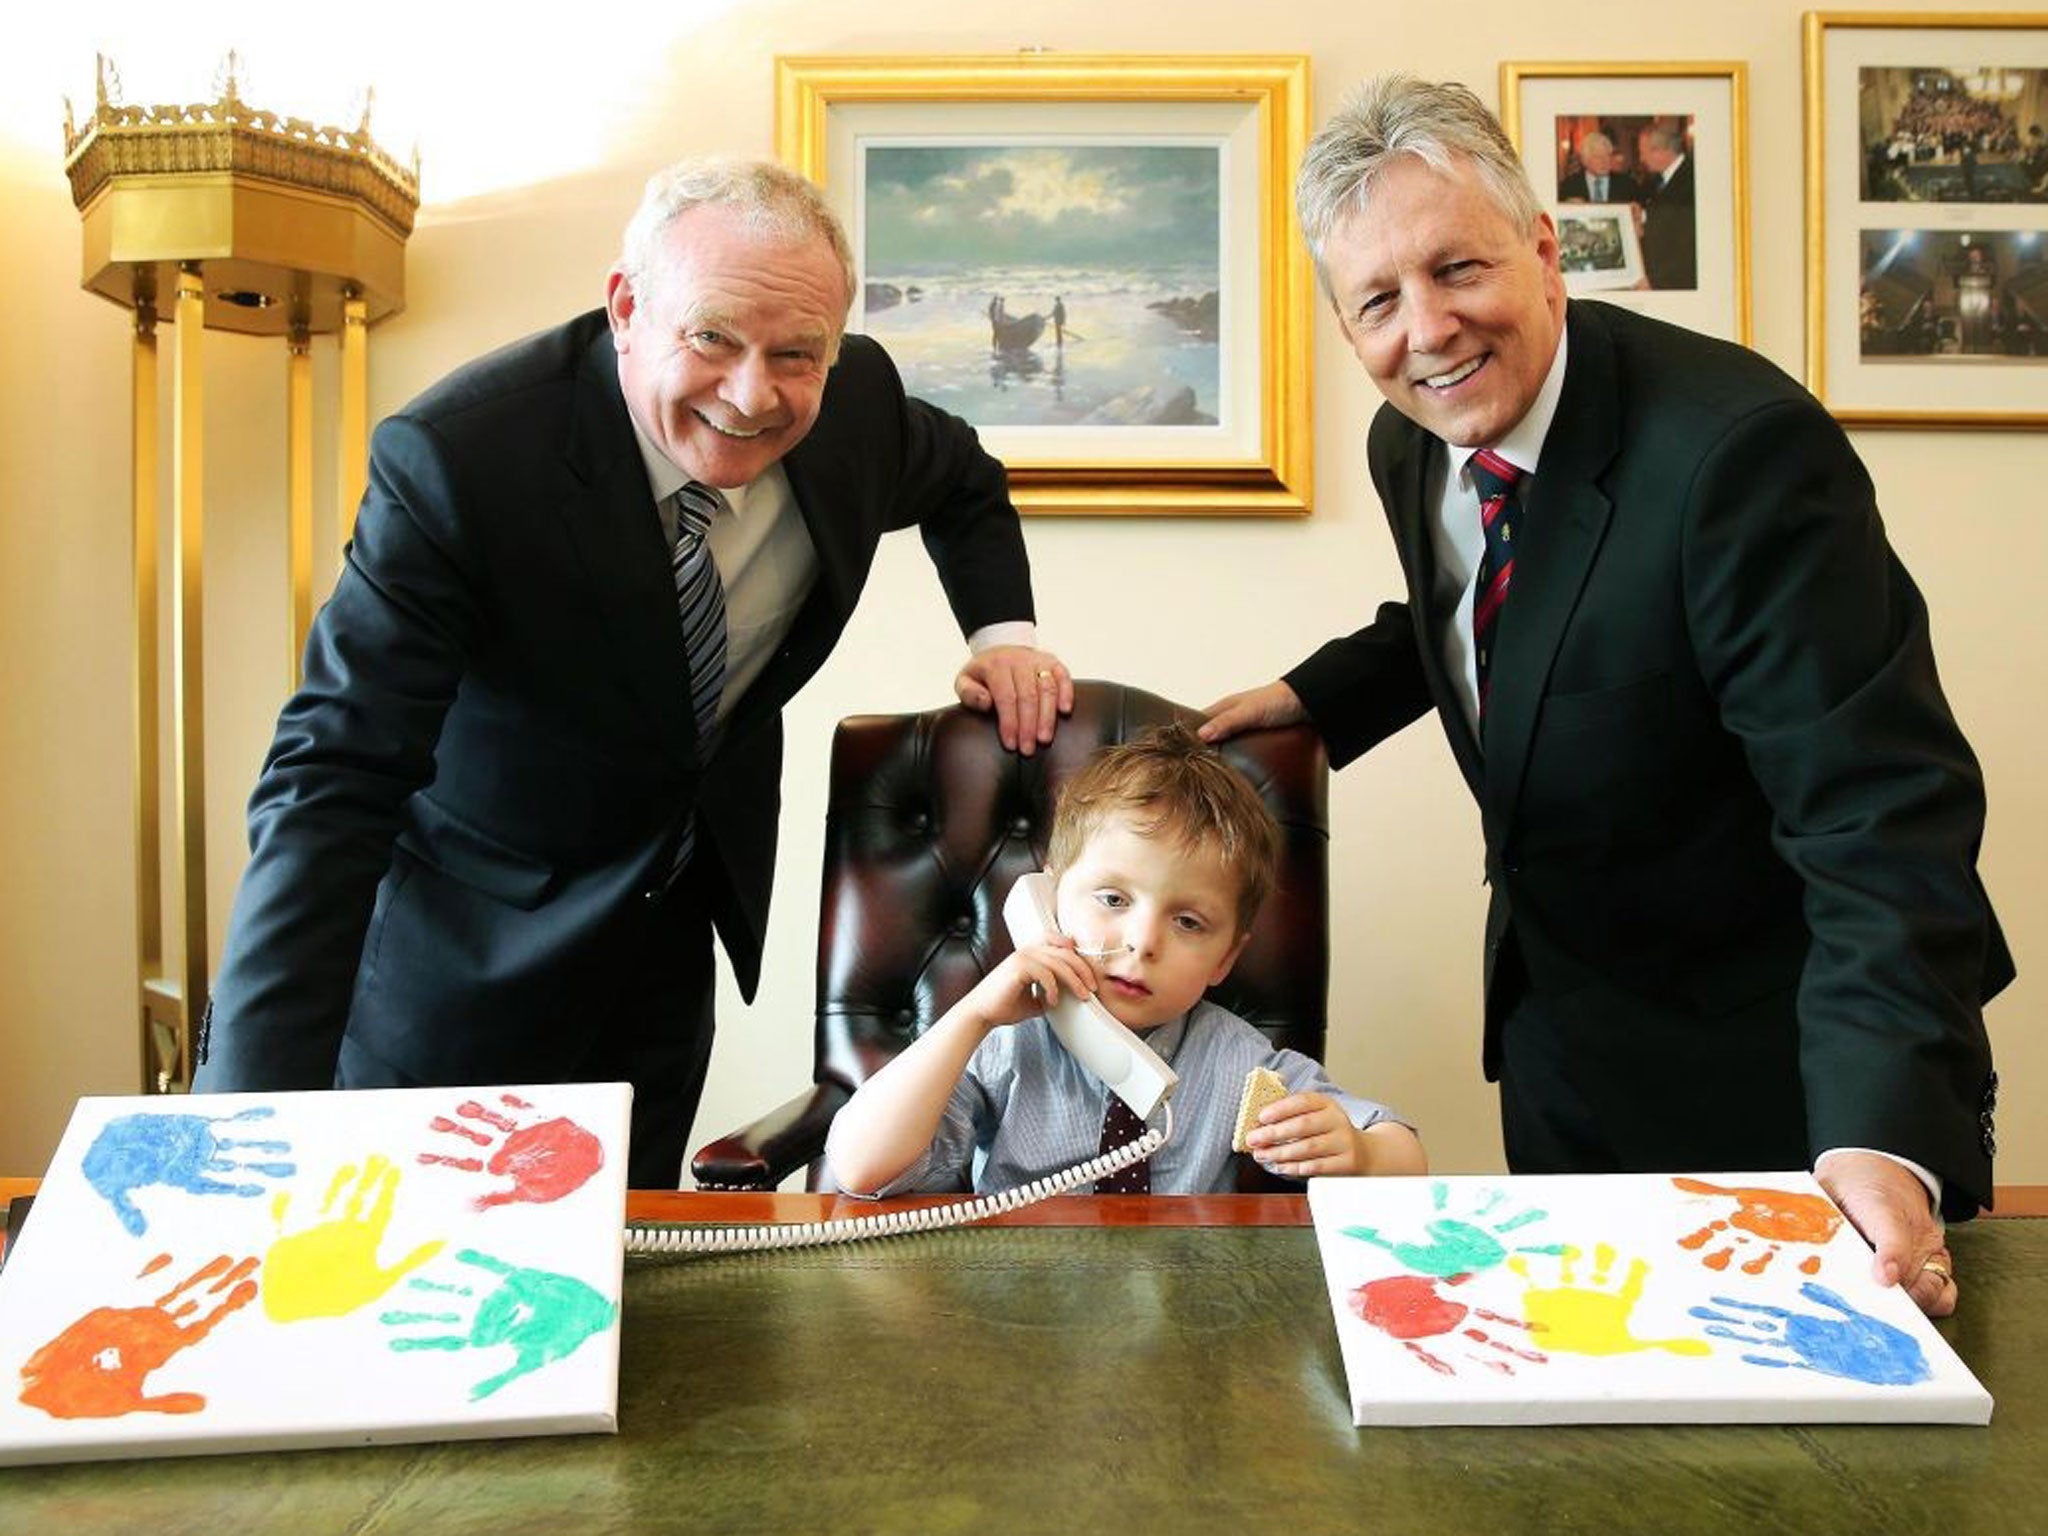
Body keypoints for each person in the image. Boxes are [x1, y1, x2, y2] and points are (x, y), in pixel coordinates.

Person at [1201, 75, 2006, 1317]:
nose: (1424, 330)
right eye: (1375, 301)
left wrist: (1880, 1132)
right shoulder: (1410, 435)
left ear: (1539, 250)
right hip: (1565, 1058)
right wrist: (1318, 697)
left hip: (1785, 1083)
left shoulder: (1737, 457)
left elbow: (1879, 818)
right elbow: (1512, 605)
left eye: (1456, 269)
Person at [193, 157, 1076, 1189]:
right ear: (626, 307)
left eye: (797, 353)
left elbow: (965, 479)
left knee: (616, 1295)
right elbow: (331, 779)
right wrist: (243, 1117)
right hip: (462, 957)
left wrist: (1000, 635)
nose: (752, 395)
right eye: (712, 338)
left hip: (666, 944)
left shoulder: (853, 408)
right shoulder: (464, 462)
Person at [825, 723, 1426, 1195]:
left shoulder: (1241, 1063)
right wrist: (970, 1018)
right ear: (1050, 901)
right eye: (1113, 899)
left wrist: (1365, 1151)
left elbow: (1407, 1158)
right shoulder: (1005, 1044)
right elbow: (860, 1167)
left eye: (1188, 922)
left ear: (1224, 959)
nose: (1143, 943)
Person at [1633, 123, 1696, 289]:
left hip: (1675, 284)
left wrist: (1656, 281)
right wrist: (1642, 217)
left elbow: (1688, 248)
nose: (1641, 159)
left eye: (1643, 153)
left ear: (1660, 151)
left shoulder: (1692, 182)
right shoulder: (1658, 179)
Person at [1556, 132, 1636, 204]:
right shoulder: (1570, 185)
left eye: (1607, 155)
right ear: (1585, 159)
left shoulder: (1627, 184)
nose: (1604, 161)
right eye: (1598, 156)